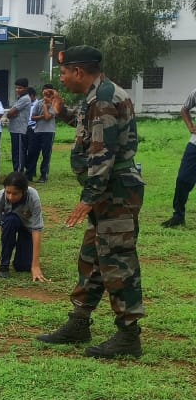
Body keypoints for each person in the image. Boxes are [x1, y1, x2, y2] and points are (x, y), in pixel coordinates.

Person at [37, 45, 146, 359]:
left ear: (79, 72)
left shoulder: (103, 99)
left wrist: (88, 197)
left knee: (117, 260)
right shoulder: (97, 98)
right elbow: (93, 133)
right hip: (108, 193)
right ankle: (80, 321)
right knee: (93, 257)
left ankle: (128, 336)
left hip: (115, 192)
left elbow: (103, 154)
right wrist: (64, 113)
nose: (63, 78)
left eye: (64, 73)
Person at [0, 172, 47, 281]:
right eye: (8, 192)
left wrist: (35, 266)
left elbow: (36, 230)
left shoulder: (33, 197)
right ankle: (4, 265)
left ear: (24, 191)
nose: (10, 197)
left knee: (23, 267)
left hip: (28, 228)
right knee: (10, 220)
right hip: (10, 225)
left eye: (15, 193)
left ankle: (22, 252)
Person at [161, 84, 196, 228]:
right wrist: (191, 127)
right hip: (195, 145)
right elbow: (184, 109)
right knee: (182, 179)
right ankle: (178, 216)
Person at [6, 78, 32, 173]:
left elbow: (10, 113)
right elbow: (10, 113)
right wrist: (11, 114)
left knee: (19, 152)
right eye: (16, 88)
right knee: (15, 151)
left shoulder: (25, 99)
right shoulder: (19, 99)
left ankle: (19, 171)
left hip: (20, 129)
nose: (17, 90)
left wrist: (11, 114)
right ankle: (16, 169)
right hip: (14, 129)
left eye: (20, 88)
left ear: (26, 88)